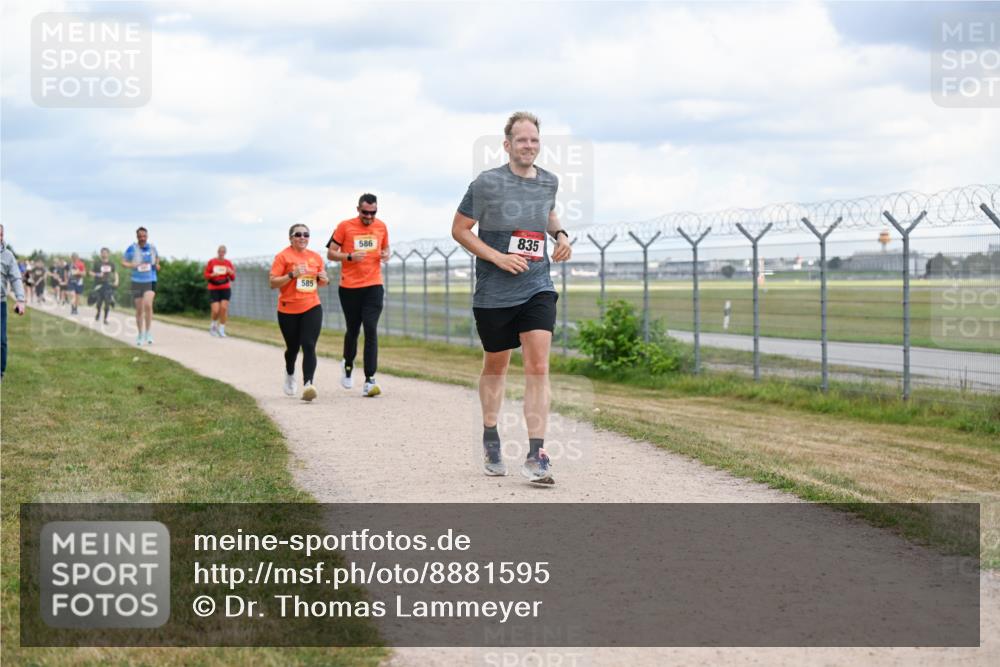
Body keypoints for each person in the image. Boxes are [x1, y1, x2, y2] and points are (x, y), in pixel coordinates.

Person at [451, 111, 573, 485]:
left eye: (534, 140)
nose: (529, 146)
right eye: (522, 140)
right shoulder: (486, 183)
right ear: (508, 145)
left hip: (537, 285)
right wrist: (497, 257)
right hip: (494, 291)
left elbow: (547, 214)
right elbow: (460, 229)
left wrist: (561, 235)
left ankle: (537, 454)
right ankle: (491, 436)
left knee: (538, 367)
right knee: (496, 367)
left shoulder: (549, 181)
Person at [326, 193, 390, 397]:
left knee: (370, 329)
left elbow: (386, 248)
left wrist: (386, 254)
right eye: (365, 212)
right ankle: (347, 365)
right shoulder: (344, 226)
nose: (369, 217)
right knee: (353, 330)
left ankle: (370, 379)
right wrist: (349, 256)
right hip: (350, 288)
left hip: (374, 285)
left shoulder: (381, 226)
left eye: (373, 212)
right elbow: (330, 253)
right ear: (358, 209)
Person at [269, 224, 329, 401]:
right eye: (298, 234)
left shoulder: (315, 257)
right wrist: (291, 275)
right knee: (293, 348)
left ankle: (308, 384)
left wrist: (325, 279)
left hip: (312, 305)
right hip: (288, 308)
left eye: (306, 234)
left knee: (309, 344)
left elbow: (321, 281)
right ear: (291, 238)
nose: (303, 237)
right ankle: (289, 372)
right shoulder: (283, 257)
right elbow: (273, 283)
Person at [122, 227, 160, 346]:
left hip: (151, 279)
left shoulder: (152, 248)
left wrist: (158, 265)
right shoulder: (132, 248)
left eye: (144, 236)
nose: (142, 238)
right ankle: (140, 334)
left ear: (147, 236)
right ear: (137, 237)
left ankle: (148, 332)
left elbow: (157, 260)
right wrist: (131, 265)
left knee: (148, 305)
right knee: (139, 309)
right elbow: (123, 262)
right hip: (137, 281)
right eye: (140, 236)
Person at [0, 224, 27, 380]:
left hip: (0, 303)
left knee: (1, 341)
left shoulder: (8, 256)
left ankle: (0, 371)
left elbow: (16, 278)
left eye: (1, 234)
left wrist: (20, 300)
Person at [204, 245, 235, 337]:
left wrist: (230, 272)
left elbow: (233, 278)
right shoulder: (212, 262)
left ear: (225, 253)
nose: (221, 253)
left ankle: (221, 328)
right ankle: (213, 325)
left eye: (223, 252)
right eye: (220, 251)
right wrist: (212, 275)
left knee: (224, 308)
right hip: (214, 287)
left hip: (225, 287)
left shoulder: (228, 263)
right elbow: (206, 275)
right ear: (217, 252)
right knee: (216, 310)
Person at [91, 247, 118, 323]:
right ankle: (98, 312)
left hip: (108, 284)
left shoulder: (111, 263)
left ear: (108, 254)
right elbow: (91, 272)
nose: (104, 254)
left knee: (107, 302)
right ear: (101, 254)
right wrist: (97, 274)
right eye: (103, 253)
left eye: (106, 253)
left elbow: (115, 272)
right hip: (99, 285)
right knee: (99, 302)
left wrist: (116, 280)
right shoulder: (97, 263)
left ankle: (105, 318)